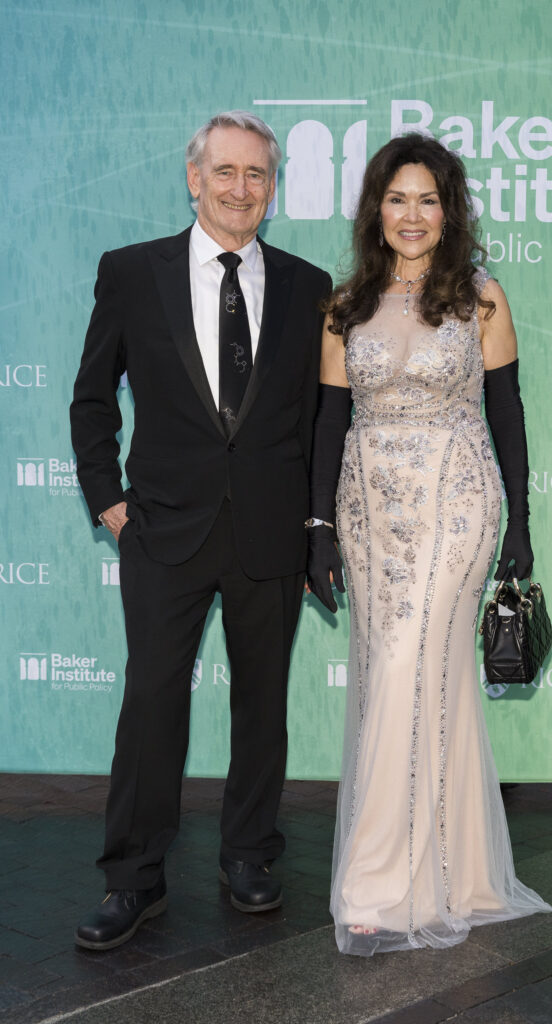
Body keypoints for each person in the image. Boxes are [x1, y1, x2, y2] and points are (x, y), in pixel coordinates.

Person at [70, 111, 331, 950]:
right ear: (194, 178)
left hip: (268, 529)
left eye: (256, 175)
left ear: (272, 187)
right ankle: (133, 878)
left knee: (262, 704)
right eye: (225, 172)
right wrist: (107, 497)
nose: (240, 189)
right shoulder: (132, 272)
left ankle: (249, 855)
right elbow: (90, 395)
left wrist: (315, 524)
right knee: (151, 701)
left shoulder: (307, 284)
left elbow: (321, 416)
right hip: (162, 527)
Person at [307, 133, 552, 955]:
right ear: (375, 209)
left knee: (414, 664)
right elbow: (329, 421)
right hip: (369, 507)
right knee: (400, 678)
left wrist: (519, 519)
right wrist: (317, 527)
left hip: (456, 500)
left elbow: (508, 413)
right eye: (396, 198)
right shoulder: (343, 307)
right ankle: (456, 872)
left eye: (428, 199)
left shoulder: (481, 297)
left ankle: (378, 883)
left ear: (449, 210)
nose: (412, 215)